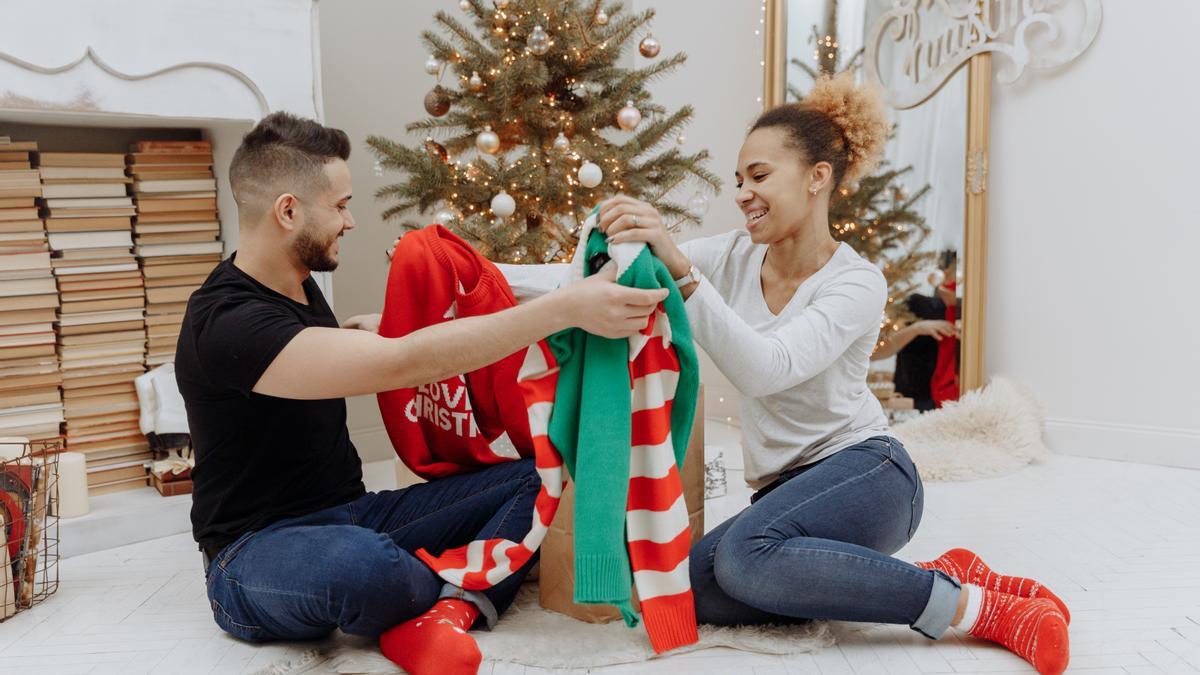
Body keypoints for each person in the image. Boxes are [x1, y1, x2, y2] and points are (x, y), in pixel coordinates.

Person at [593, 73, 1070, 674]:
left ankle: (977, 610)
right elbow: (628, 272)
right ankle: (931, 577)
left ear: (818, 177)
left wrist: (684, 275)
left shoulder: (857, 282)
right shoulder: (729, 256)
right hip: (786, 495)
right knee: (684, 588)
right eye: (738, 180)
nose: (742, 193)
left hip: (870, 474)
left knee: (743, 560)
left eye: (760, 176)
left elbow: (770, 369)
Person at [174, 111, 669, 675]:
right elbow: (399, 363)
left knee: (541, 472)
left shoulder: (292, 284)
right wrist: (565, 308)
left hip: (353, 513)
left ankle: (446, 610)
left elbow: (311, 354)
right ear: (288, 211)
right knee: (364, 569)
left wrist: (374, 329)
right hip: (253, 553)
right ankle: (451, 584)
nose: (351, 220)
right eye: (339, 206)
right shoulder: (226, 322)